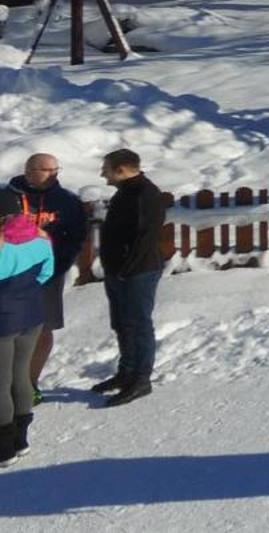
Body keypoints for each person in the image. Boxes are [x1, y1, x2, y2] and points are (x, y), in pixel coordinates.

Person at [10, 153, 86, 404]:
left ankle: (30, 383)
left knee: (43, 329)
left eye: (56, 169)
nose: (54, 174)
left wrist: (57, 266)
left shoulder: (66, 201)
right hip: (8, 274)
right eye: (47, 169)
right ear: (29, 170)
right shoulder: (8, 196)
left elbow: (75, 237)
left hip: (47, 275)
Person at [95, 148, 167, 407]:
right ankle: (126, 372)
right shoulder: (124, 192)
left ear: (121, 170)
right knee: (122, 323)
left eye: (106, 168)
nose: (103, 173)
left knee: (138, 324)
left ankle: (141, 379)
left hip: (138, 271)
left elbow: (144, 238)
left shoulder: (145, 195)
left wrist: (127, 270)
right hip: (119, 271)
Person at [0, 190, 53, 467]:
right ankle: (20, 440)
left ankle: (3, 448)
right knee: (20, 376)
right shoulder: (40, 240)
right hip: (31, 317)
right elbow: (45, 274)